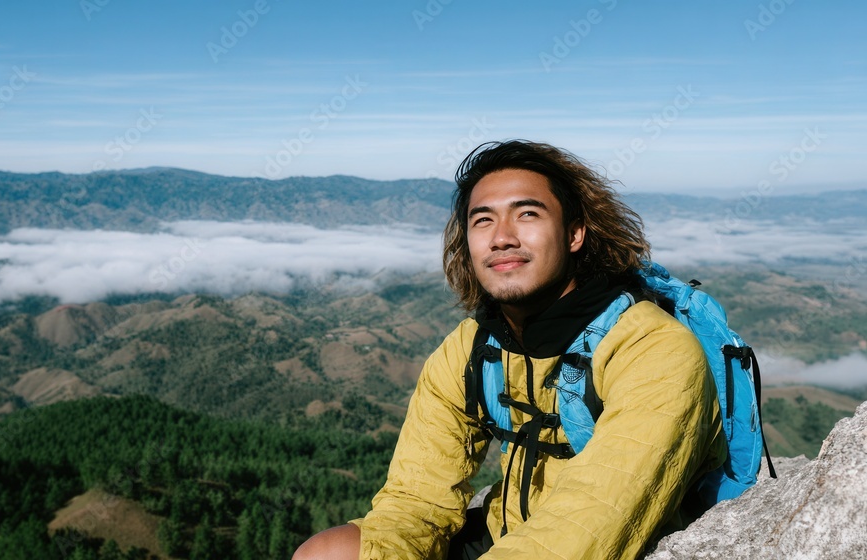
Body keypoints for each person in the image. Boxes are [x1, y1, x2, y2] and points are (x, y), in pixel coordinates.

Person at [293, 140, 726, 559]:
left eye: (527, 214)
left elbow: (589, 525)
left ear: (575, 233)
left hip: (606, 544)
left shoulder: (652, 349)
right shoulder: (473, 348)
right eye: (482, 220)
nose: (501, 237)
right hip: (507, 535)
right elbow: (416, 501)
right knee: (329, 554)